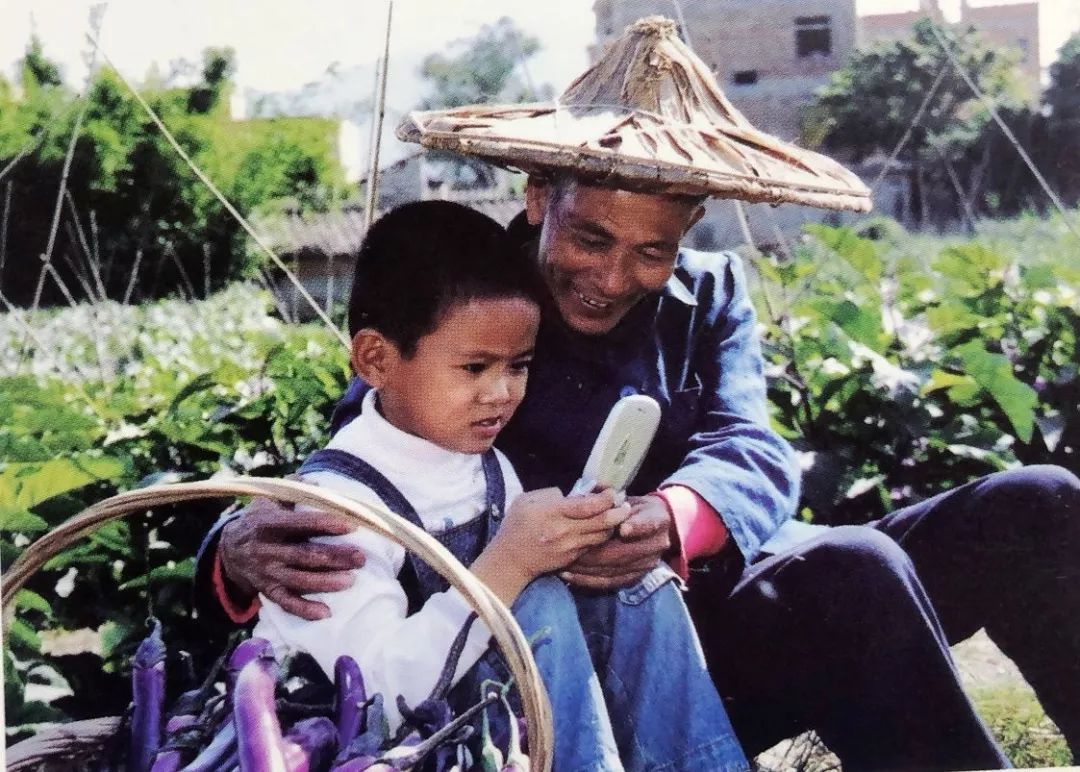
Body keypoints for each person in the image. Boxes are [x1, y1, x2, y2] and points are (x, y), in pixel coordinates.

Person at [197, 18, 1080, 770]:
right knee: (856, 571)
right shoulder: (473, 314)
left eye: (651, 251)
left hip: (726, 587)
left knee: (1041, 504)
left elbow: (754, 450)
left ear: (691, 227)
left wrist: (672, 520)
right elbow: (360, 457)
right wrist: (232, 547)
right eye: (591, 237)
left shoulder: (713, 293)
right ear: (540, 196)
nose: (613, 277)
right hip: (598, 664)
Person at [250, 199, 750, 771]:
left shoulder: (481, 465)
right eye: (474, 369)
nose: (501, 394)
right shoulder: (340, 509)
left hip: (479, 726)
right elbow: (379, 699)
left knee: (637, 589)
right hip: (370, 746)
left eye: (518, 367)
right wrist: (511, 563)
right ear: (375, 359)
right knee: (531, 601)